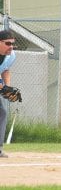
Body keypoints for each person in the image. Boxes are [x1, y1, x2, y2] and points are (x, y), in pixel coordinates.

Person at [0, 30, 17, 158]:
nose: (11, 46)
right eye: (7, 43)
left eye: (12, 44)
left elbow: (5, 69)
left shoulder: (11, 56)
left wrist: (8, 87)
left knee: (3, 111)